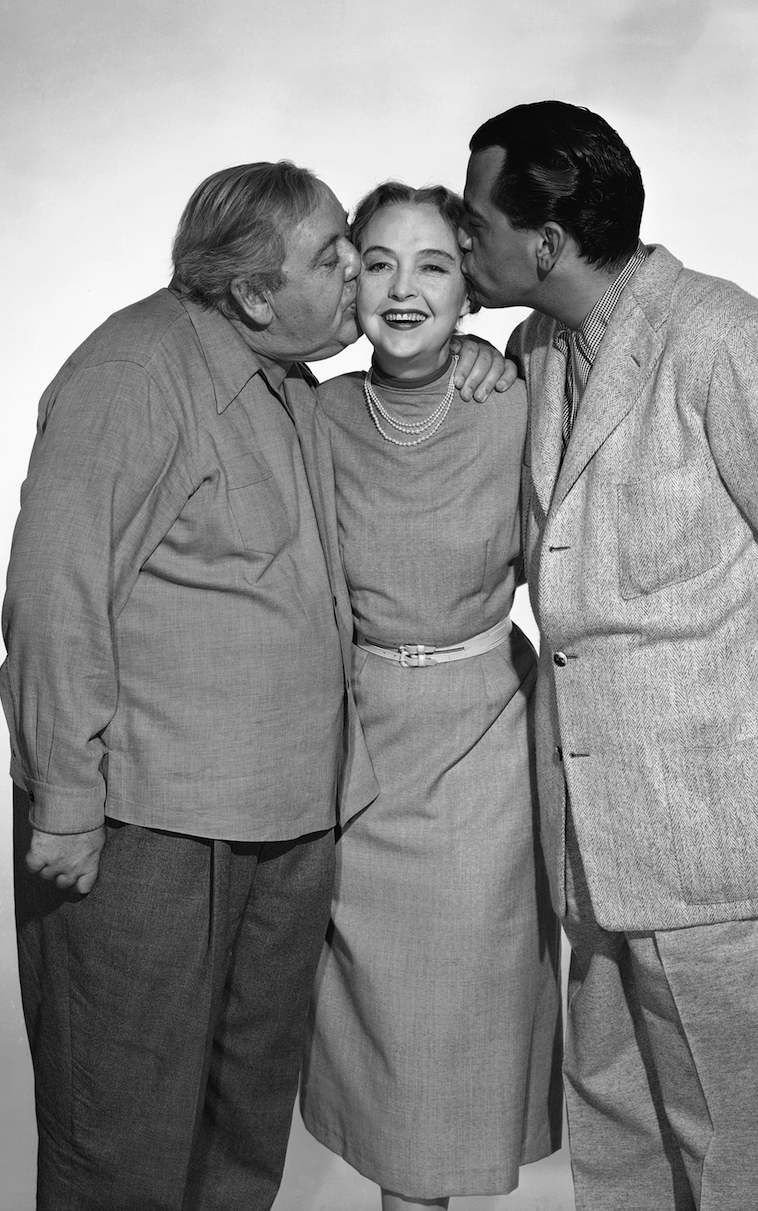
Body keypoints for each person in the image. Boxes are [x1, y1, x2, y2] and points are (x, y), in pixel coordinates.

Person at [0, 159, 514, 1211]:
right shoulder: (135, 373)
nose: (358, 278)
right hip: (151, 829)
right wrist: (64, 801)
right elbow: (55, 594)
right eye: (335, 258)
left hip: (287, 826)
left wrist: (468, 354)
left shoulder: (289, 383)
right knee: (122, 1139)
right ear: (252, 292)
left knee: (237, 1138)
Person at [459, 100, 758, 1211]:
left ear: (546, 242)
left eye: (475, 221)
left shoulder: (726, 341)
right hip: (595, 839)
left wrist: (755, 694)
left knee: (740, 1162)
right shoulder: (531, 349)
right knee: (620, 1145)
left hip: (730, 834)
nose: (462, 239)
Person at [299, 182, 562, 1211]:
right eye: (377, 263)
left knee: (454, 1029)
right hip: (357, 749)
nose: (402, 289)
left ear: (468, 291)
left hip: (482, 744)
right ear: (348, 281)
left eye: (433, 266)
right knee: (379, 1032)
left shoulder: (514, 402)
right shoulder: (315, 415)